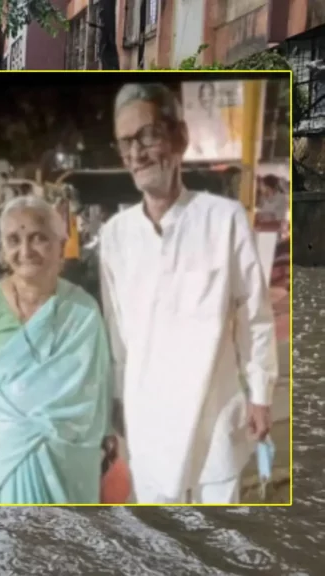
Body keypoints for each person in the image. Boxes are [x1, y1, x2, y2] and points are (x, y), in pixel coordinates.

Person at [100, 83, 278, 504]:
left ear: (179, 137)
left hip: (214, 423)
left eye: (148, 135)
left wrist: (260, 395)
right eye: (127, 143)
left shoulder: (224, 220)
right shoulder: (115, 236)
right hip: (148, 428)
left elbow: (254, 316)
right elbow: (117, 338)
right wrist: (116, 409)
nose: (138, 153)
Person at [0, 195, 114, 504]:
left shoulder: (83, 310)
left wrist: (106, 435)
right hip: (10, 451)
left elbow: (99, 384)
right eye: (14, 240)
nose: (25, 251)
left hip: (73, 455)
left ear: (59, 243)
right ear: (2, 248)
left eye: (39, 239)